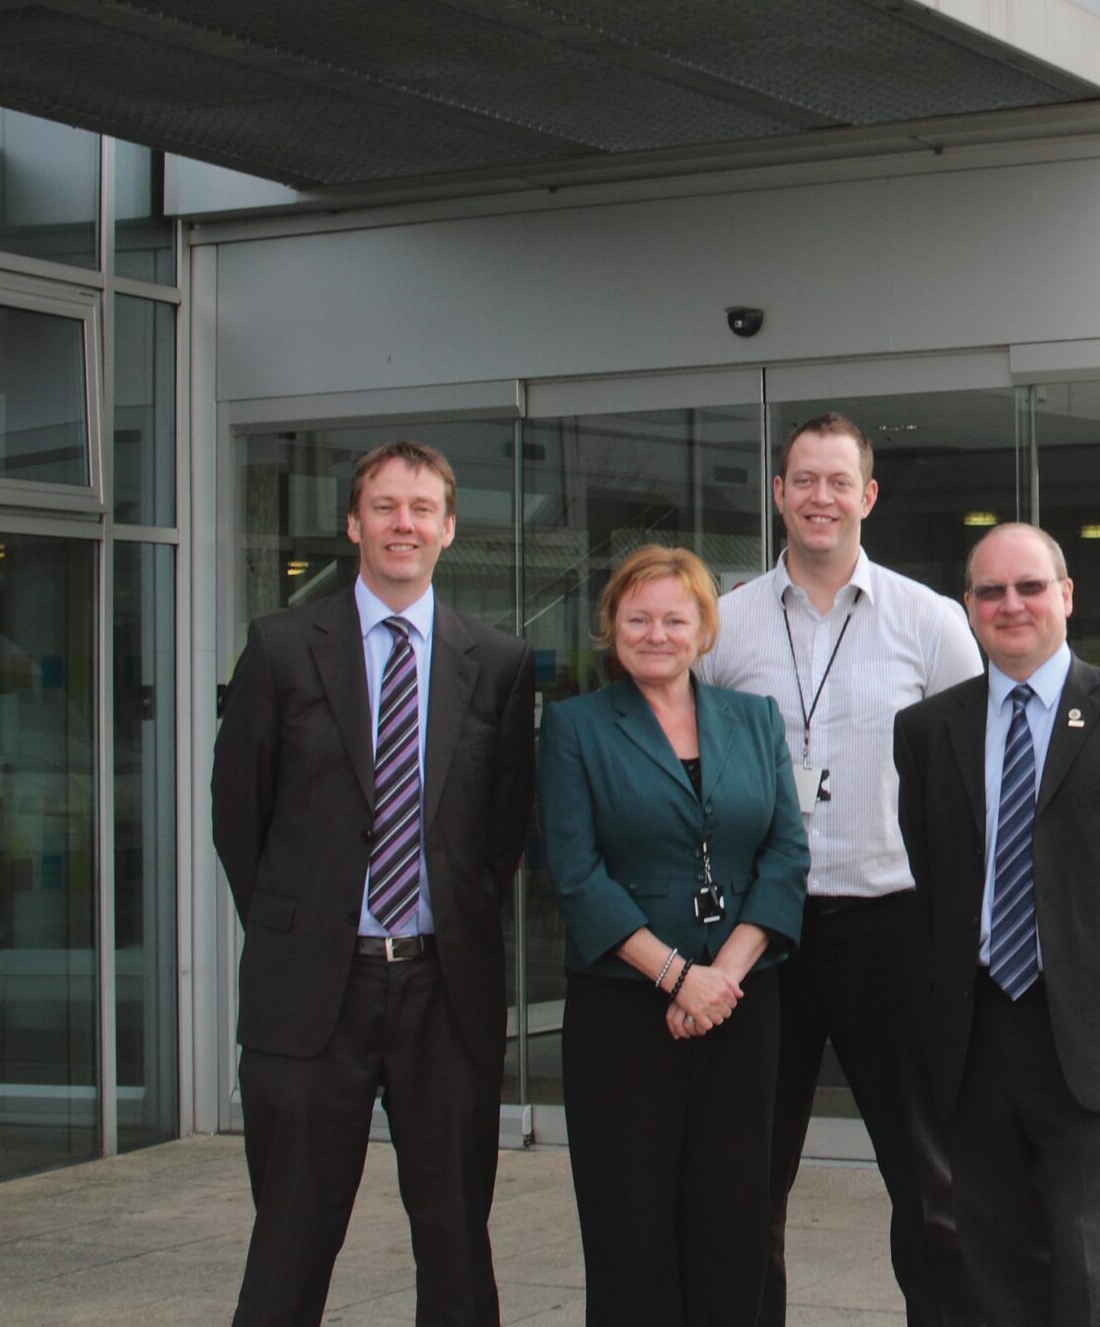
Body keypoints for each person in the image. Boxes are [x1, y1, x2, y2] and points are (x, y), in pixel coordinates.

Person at [211, 440, 534, 1327]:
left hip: (445, 987)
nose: (404, 524)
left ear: (449, 527)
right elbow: (240, 814)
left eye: (422, 508)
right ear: (353, 522)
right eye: (386, 506)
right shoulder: (281, 648)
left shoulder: (497, 663)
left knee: (457, 1238)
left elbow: (499, 829)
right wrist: (303, 928)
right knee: (291, 1237)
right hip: (311, 993)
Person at [696, 413, 984, 1327]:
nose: (820, 497)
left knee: (930, 1178)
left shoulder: (930, 621)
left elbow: (972, 781)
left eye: (838, 481)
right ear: (778, 494)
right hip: (762, 935)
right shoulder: (725, 624)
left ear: (867, 495)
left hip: (890, 927)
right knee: (746, 1182)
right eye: (802, 480)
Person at [892, 523, 1100, 1327]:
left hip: (1093, 1034)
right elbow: (933, 877)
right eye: (990, 590)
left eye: (1029, 585)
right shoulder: (928, 730)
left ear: (1065, 596)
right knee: (990, 1259)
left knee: (1092, 1267)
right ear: (968, 606)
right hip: (976, 1033)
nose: (1011, 604)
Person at [539, 543, 809, 1327]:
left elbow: (786, 852)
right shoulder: (574, 727)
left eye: (674, 618)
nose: (656, 633)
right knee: (632, 1224)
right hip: (625, 1010)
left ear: (704, 630)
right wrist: (675, 975)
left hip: (740, 1004)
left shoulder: (753, 719)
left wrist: (722, 972)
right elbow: (576, 872)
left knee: (733, 1217)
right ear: (611, 627)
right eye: (637, 617)